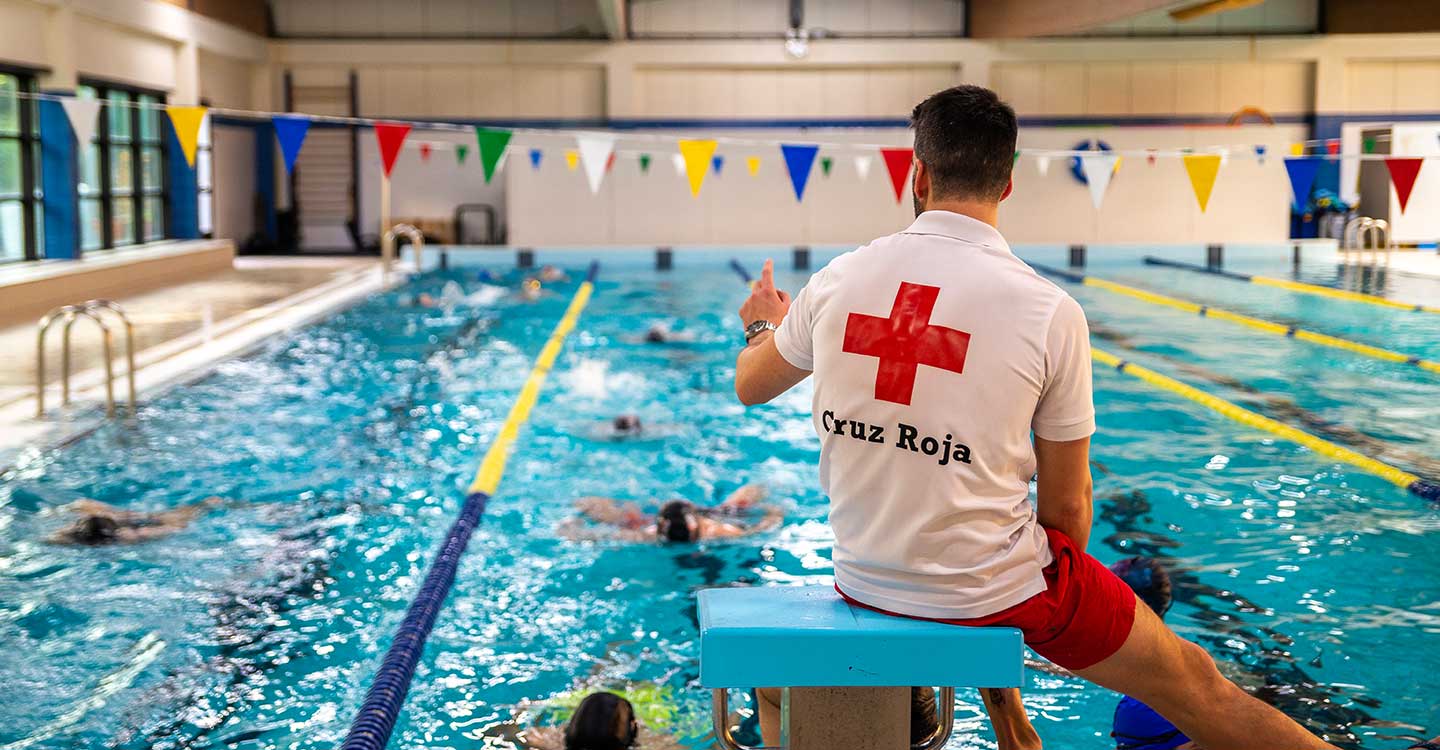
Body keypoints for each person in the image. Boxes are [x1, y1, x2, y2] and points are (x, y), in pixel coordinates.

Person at [729, 84, 1369, 750]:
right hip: (994, 588)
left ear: (916, 175)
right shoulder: (1048, 310)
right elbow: (1069, 509)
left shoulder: (840, 279)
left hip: (863, 577)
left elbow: (752, 386)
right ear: (1008, 184)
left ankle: (1007, 707)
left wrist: (763, 323)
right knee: (1196, 683)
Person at [561, 485, 781, 543]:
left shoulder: (647, 534)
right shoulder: (719, 530)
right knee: (740, 500)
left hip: (657, 529)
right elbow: (761, 528)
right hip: (717, 518)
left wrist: (571, 527)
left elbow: (596, 534)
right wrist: (774, 515)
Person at [48, 497, 225, 545]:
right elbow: (179, 526)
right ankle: (208, 504)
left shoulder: (67, 535)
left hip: (133, 523)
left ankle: (207, 504)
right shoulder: (128, 534)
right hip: (138, 525)